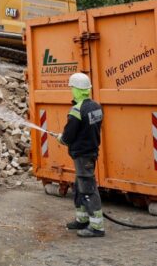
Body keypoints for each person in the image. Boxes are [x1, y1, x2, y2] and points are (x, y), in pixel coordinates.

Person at [56, 72, 105, 238]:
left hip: (82, 155)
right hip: (91, 151)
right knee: (79, 186)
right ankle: (82, 219)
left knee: (87, 188)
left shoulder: (76, 110)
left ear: (76, 90)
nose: (72, 91)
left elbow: (68, 137)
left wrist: (61, 139)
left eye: (72, 88)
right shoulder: (97, 107)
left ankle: (97, 227)